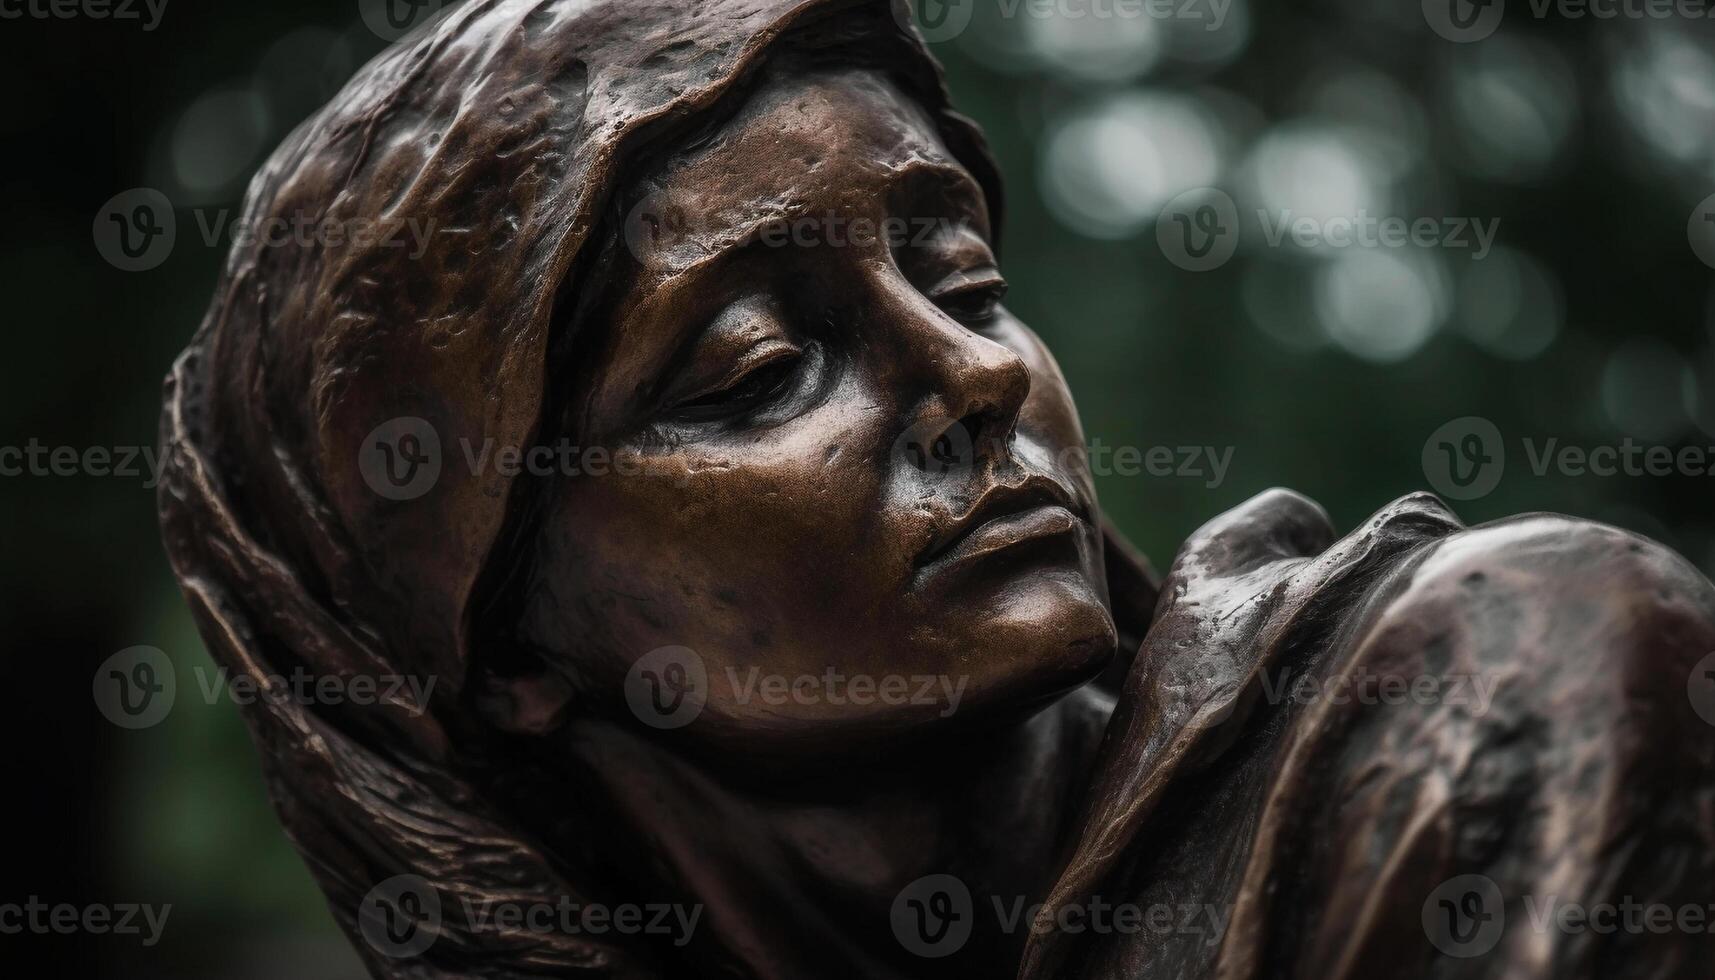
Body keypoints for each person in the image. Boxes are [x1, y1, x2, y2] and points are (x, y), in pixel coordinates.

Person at [157, 1, 1715, 976]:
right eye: (764, 371)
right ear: (498, 648)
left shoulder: (1493, 694)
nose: (977, 379)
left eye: (961, 281)